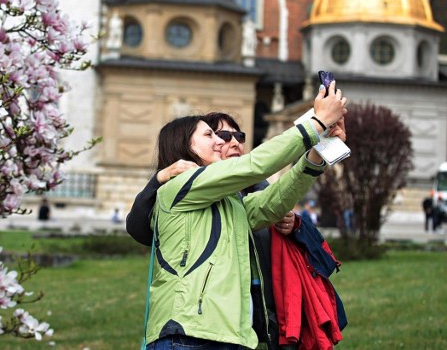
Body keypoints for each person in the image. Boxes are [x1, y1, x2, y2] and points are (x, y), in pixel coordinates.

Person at [139, 84, 347, 349]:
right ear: (184, 145)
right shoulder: (178, 187)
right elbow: (253, 166)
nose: (221, 142)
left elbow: (274, 202)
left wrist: (317, 154)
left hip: (228, 336)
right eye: (210, 135)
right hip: (188, 334)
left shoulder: (230, 203)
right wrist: (316, 123)